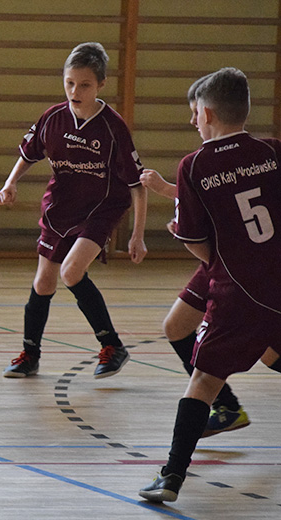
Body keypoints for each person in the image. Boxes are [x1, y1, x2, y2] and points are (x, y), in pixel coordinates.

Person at [139, 68, 281, 502]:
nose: (191, 122)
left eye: (193, 114)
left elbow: (199, 244)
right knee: (178, 326)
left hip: (235, 280)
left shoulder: (196, 164)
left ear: (208, 112)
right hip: (272, 272)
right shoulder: (272, 150)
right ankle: (226, 408)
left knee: (203, 378)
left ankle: (171, 477)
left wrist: (199, 242)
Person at [0, 42, 147, 379]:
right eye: (69, 83)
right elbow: (29, 153)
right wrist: (10, 183)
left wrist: (137, 235)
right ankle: (30, 355)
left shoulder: (112, 128)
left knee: (72, 271)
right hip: (61, 207)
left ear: (101, 85)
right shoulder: (53, 117)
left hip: (102, 208)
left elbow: (137, 185)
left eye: (84, 85)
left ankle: (112, 346)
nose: (75, 91)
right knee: (44, 282)